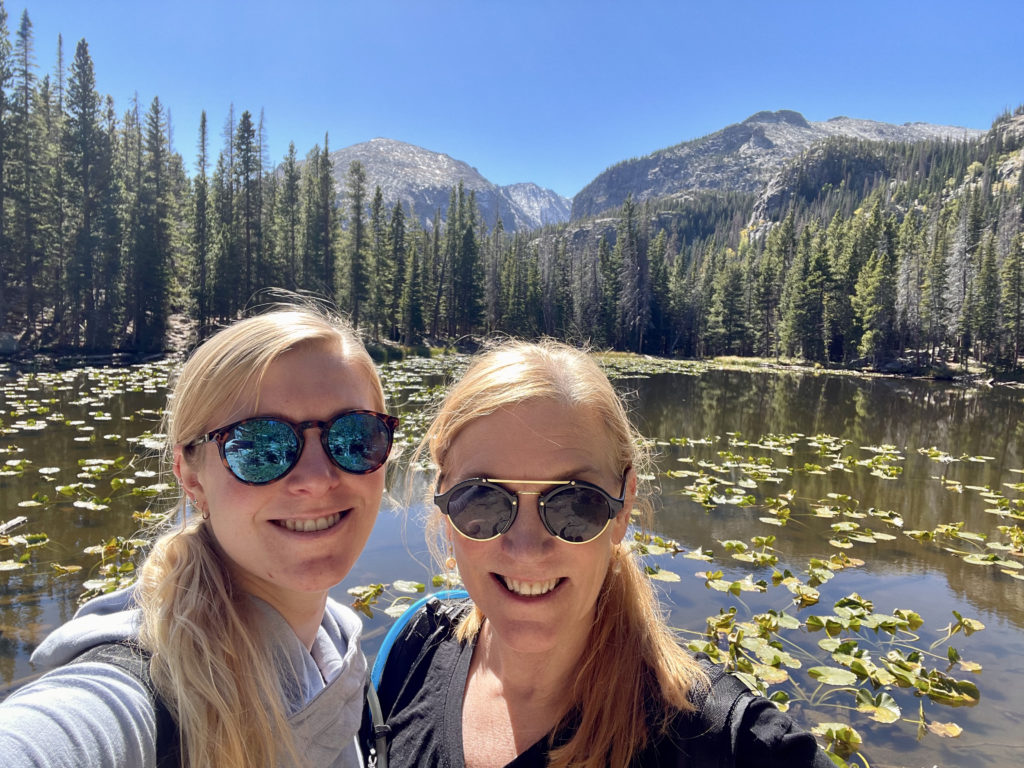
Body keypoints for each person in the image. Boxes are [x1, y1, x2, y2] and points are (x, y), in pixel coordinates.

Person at [371, 339, 831, 768]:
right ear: (443, 497)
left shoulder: (721, 740)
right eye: (483, 498)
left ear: (623, 506)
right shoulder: (411, 652)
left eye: (576, 502)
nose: (528, 550)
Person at [0, 306, 399, 768]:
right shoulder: (135, 689)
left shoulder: (340, 651)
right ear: (191, 477)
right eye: (258, 446)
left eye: (355, 436)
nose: (315, 478)